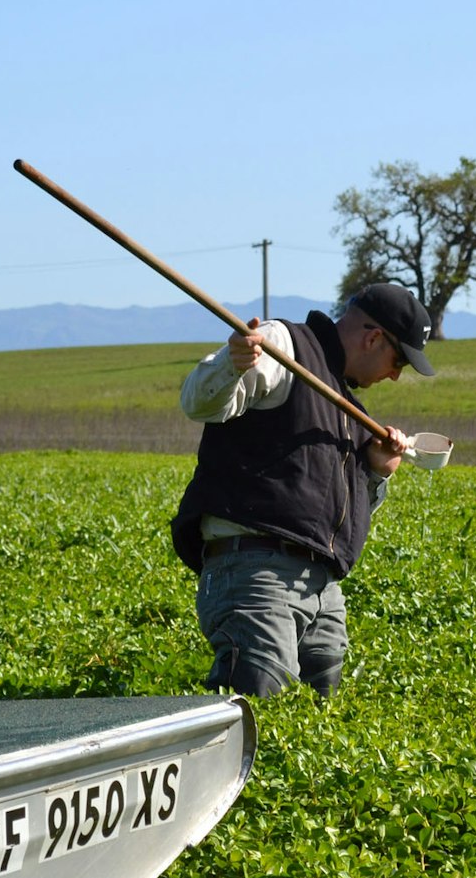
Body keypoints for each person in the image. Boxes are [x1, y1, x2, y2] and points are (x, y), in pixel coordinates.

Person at [171, 282, 435, 699]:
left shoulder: (348, 407)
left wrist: (376, 471)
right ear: (373, 338)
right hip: (257, 571)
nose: (396, 375)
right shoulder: (283, 347)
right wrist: (233, 363)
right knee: (261, 704)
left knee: (318, 709)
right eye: (398, 360)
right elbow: (198, 403)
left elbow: (330, 512)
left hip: (322, 586)